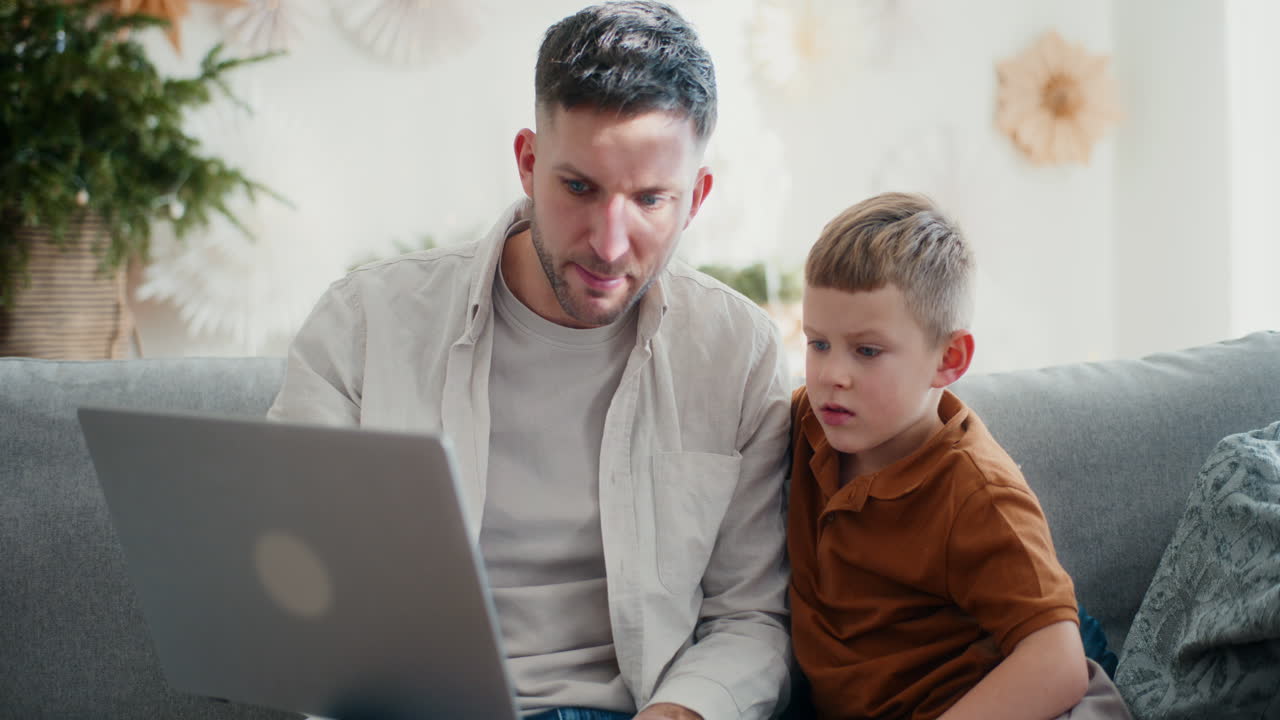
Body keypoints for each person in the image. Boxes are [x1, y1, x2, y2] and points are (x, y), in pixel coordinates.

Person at [268, 3, 792, 719]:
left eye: (649, 200)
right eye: (579, 187)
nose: (610, 243)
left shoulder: (739, 355)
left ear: (695, 197)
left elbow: (752, 618)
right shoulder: (365, 325)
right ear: (528, 162)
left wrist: (683, 713)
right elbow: (287, 573)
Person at [787, 193, 1132, 720]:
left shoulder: (977, 492)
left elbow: (1058, 662)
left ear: (948, 359)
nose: (833, 374)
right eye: (818, 344)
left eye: (867, 351)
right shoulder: (807, 425)